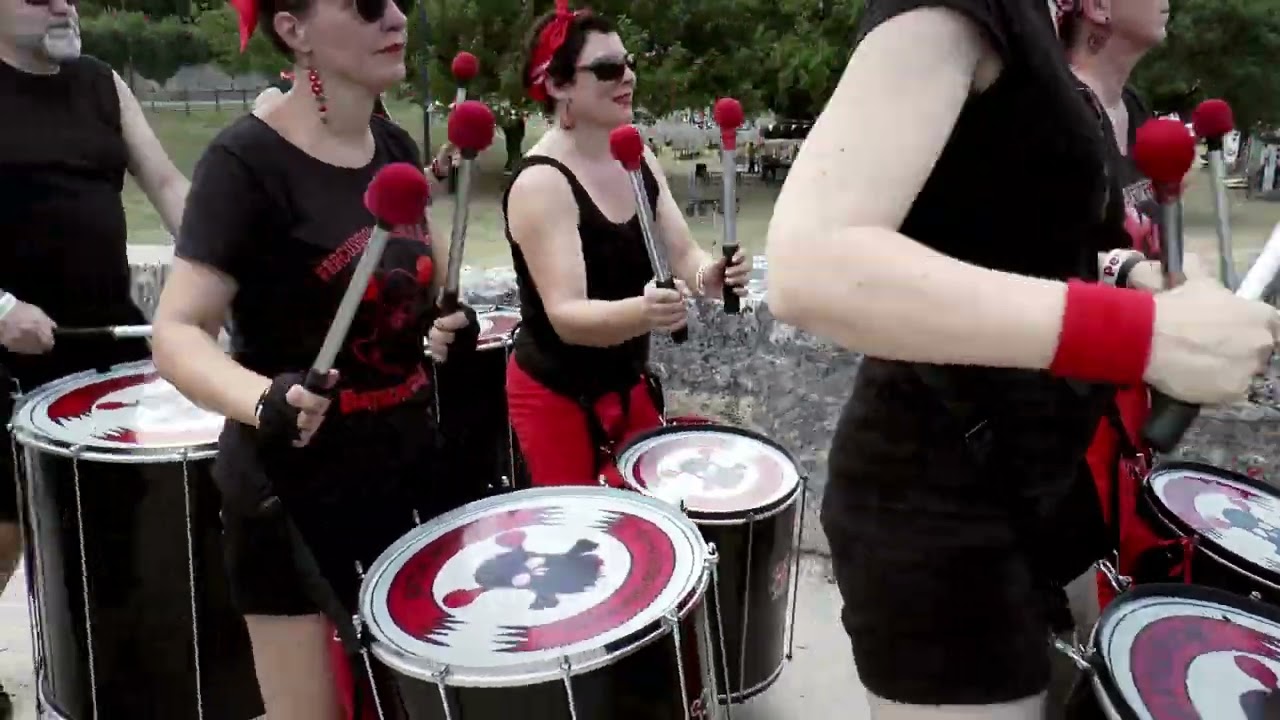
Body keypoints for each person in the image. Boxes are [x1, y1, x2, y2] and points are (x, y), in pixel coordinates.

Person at [765, 0, 1278, 717]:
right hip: (934, 509)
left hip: (1040, 489)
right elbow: (810, 264)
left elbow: (1040, 250)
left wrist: (1133, 278)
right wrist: (1143, 336)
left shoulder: (1042, 45)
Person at [151, 0, 472, 714]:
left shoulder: (393, 148)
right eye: (363, 4)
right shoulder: (245, 162)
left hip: (406, 474)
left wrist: (443, 321)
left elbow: (422, 284)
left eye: (399, 2)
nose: (392, 17)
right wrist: (262, 400)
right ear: (292, 30)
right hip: (292, 496)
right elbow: (176, 332)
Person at [0, 0, 188, 713]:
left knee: (108, 531)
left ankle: (105, 682)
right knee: (7, 529)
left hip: (101, 349)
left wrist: (219, 265)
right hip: (6, 351)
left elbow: (167, 185)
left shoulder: (101, 82)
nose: (62, 3)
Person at [503, 1, 751, 488]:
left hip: (625, 383)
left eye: (629, 62)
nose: (628, 77)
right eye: (608, 69)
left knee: (647, 526)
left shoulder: (637, 155)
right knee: (582, 541)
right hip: (555, 396)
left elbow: (684, 255)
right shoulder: (541, 183)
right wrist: (646, 312)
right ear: (557, 85)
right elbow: (568, 316)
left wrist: (710, 277)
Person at [1058, 0, 1195, 611]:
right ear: (1096, 6)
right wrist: (1127, 270)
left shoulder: (1135, 112)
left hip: (1129, 391)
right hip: (1064, 410)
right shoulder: (1051, 112)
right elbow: (1036, 262)